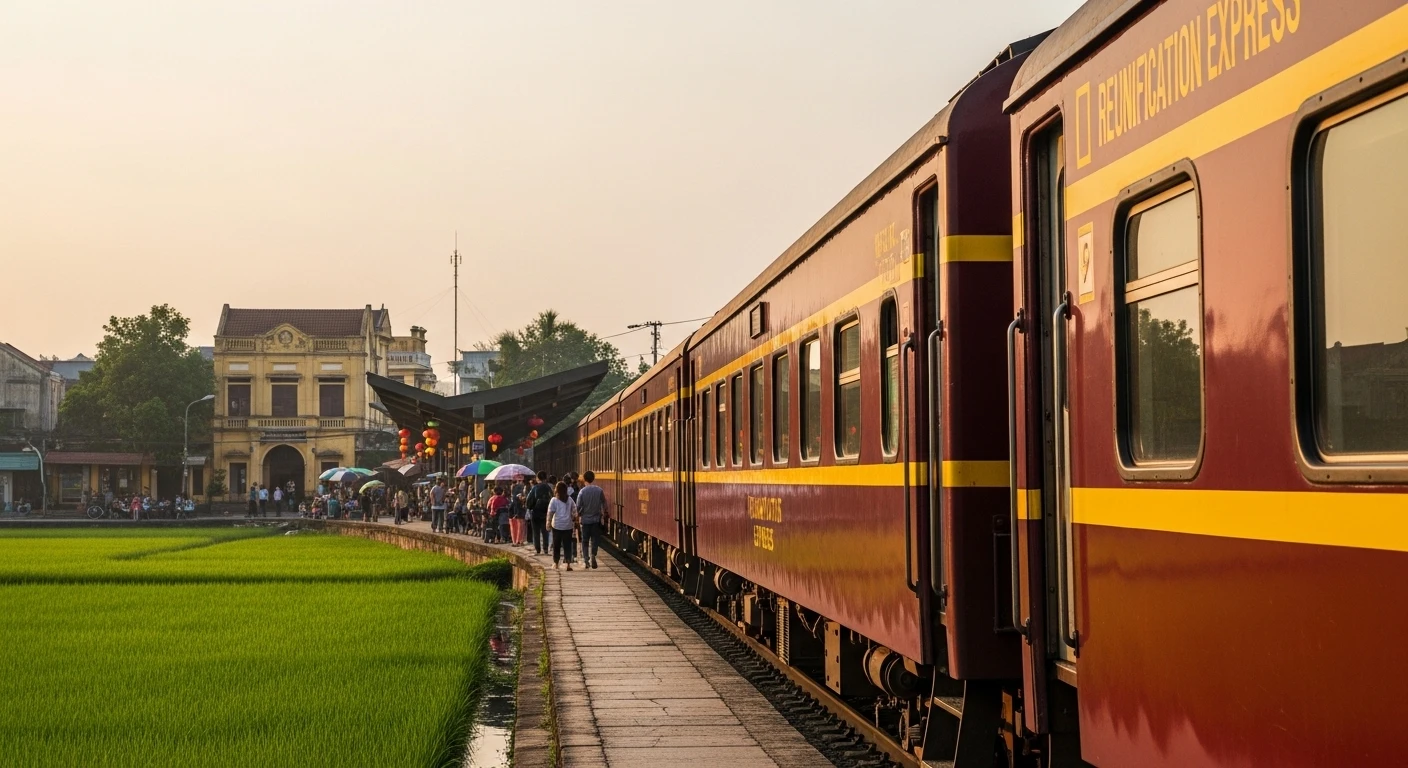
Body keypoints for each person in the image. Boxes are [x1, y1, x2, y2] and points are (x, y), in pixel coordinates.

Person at [576, 470, 608, 569]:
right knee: (595, 540)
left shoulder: (582, 491)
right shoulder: (599, 490)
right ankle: (593, 554)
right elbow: (604, 503)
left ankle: (586, 560)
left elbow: (578, 506)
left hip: (585, 521)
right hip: (596, 520)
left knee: (585, 541)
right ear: (593, 479)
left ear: (584, 479)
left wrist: (578, 516)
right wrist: (604, 513)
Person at [548, 481, 578, 570]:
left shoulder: (554, 500)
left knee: (556, 545)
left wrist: (548, 523)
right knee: (567, 545)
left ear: (556, 490)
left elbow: (550, 513)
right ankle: (568, 564)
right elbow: (575, 511)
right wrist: (574, 518)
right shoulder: (570, 500)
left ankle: (556, 563)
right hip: (567, 526)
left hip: (556, 525)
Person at [527, 471, 553, 554]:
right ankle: (545, 548)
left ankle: (538, 549)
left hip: (535, 512)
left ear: (538, 478)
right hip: (545, 512)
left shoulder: (534, 488)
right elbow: (552, 499)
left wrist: (530, 508)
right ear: (546, 478)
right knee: (545, 531)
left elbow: (529, 501)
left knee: (536, 532)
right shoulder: (549, 488)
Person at [509, 475, 528, 546]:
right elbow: (520, 499)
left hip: (513, 509)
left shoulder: (513, 488)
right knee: (521, 525)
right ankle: (519, 541)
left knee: (515, 526)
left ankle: (516, 541)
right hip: (519, 509)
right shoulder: (520, 488)